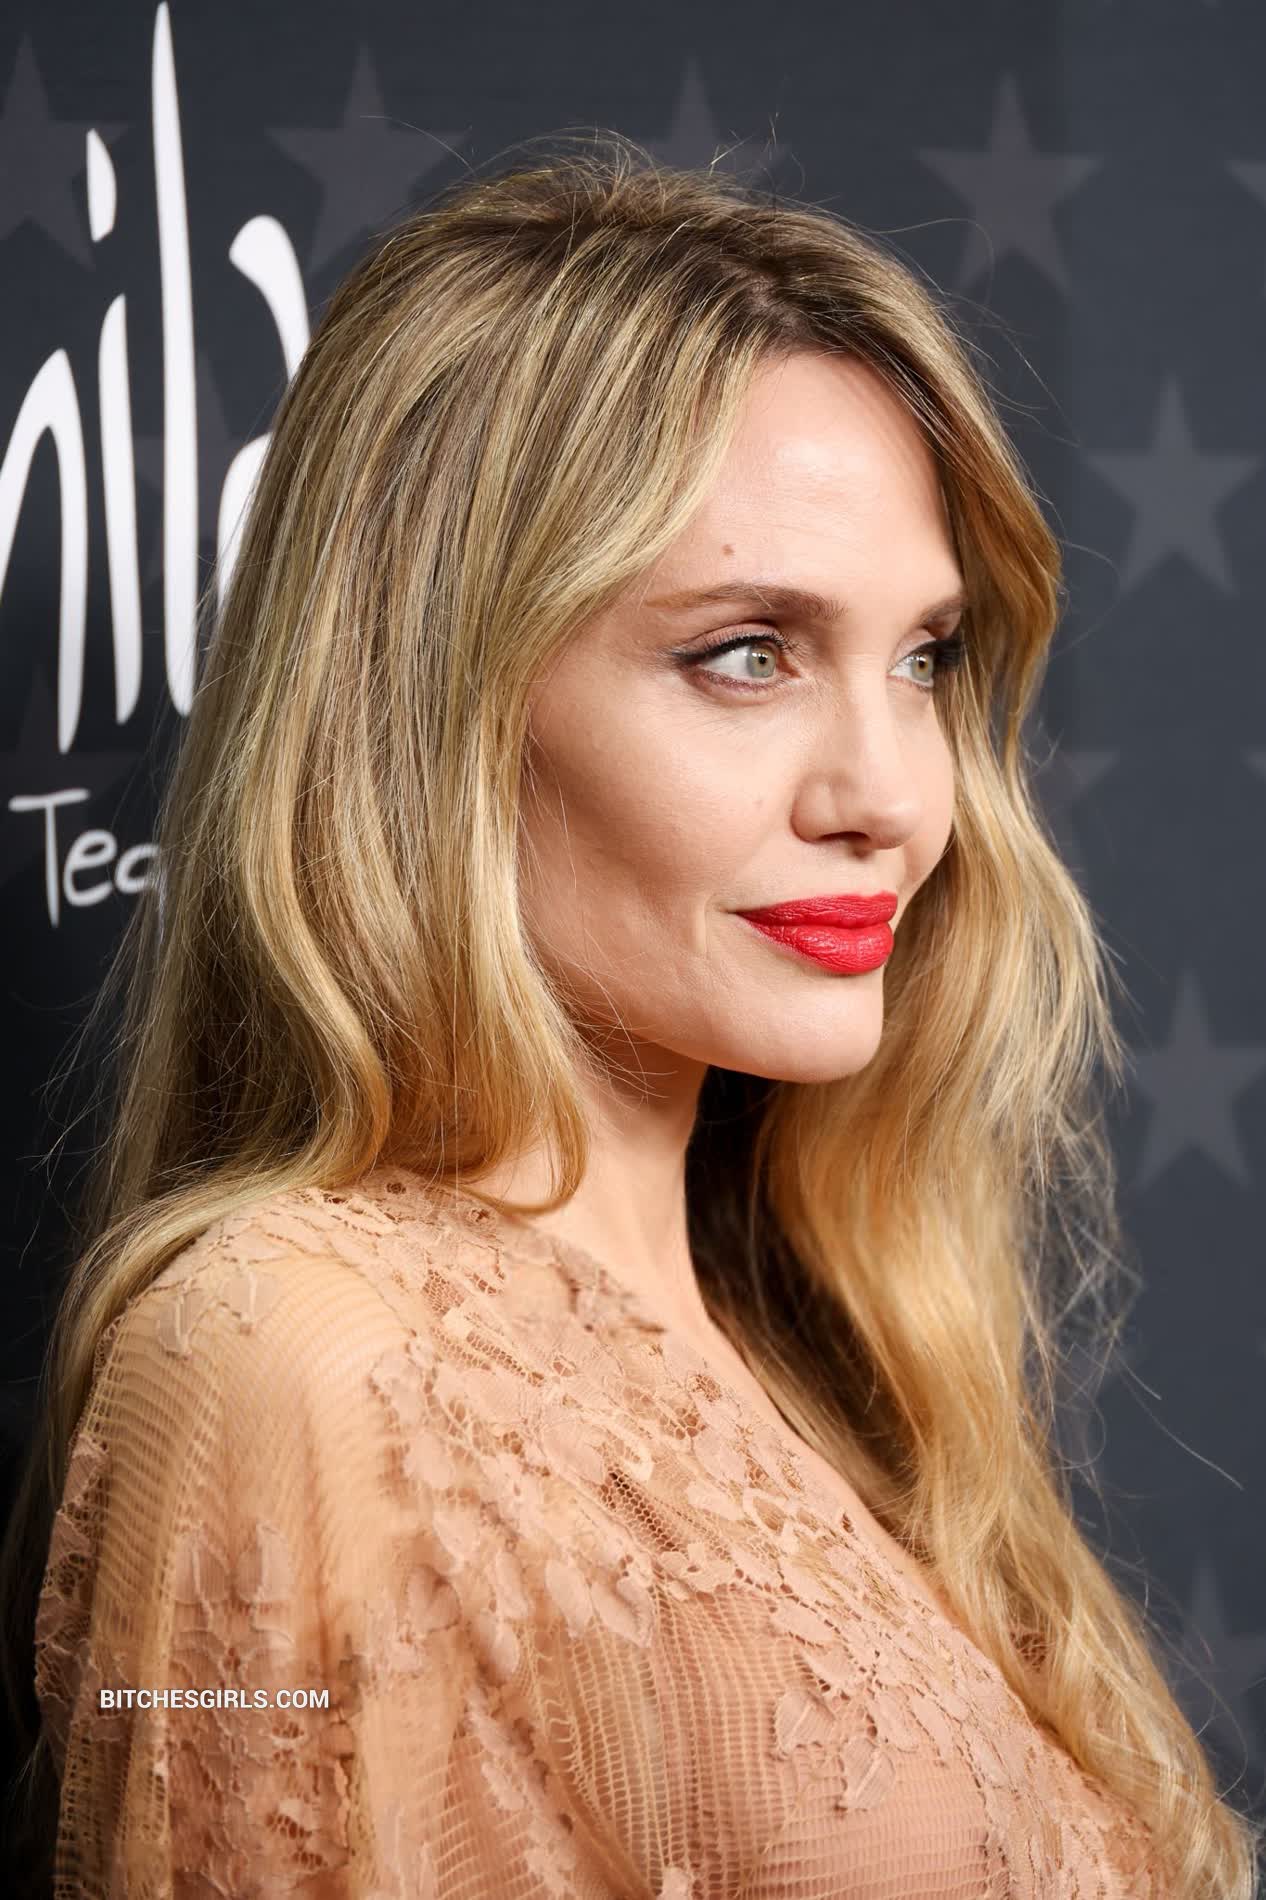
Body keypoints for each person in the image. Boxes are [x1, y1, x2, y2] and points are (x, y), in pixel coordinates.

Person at [1, 132, 1259, 1898]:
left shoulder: (818, 1326)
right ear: (436, 702)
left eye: (922, 658)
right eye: (746, 654)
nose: (893, 799)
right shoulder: (291, 1351)